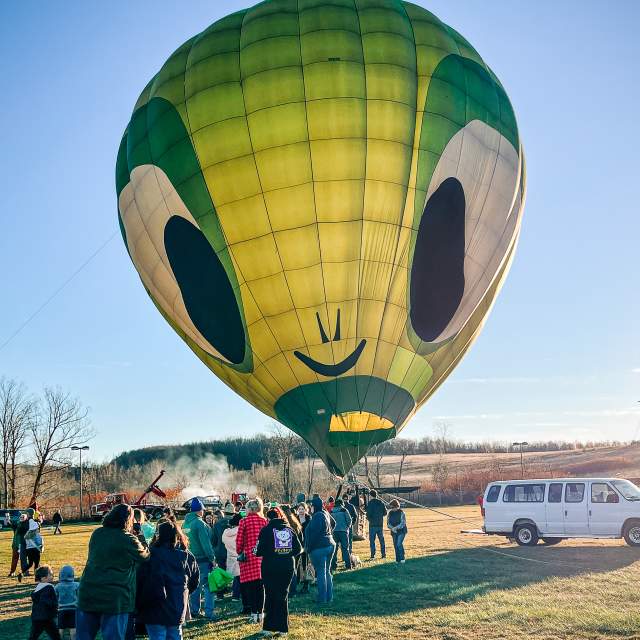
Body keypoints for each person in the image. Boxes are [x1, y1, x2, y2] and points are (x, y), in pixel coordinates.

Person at [77, 503, 150, 640]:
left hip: (89, 592)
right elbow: (145, 556)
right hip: (115, 598)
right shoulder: (128, 539)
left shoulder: (97, 534)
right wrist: (139, 535)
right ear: (128, 520)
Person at [137, 519, 199, 640]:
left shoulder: (150, 555)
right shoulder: (185, 556)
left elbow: (140, 579)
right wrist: (184, 592)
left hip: (153, 605)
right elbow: (194, 581)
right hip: (176, 605)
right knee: (175, 635)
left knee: (158, 636)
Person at [255, 508, 302, 637]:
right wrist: (286, 554)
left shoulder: (265, 530)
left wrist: (272, 553)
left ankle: (269, 628)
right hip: (287, 567)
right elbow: (298, 549)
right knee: (283, 596)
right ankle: (283, 628)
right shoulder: (289, 529)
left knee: (270, 596)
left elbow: (258, 551)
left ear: (268, 519)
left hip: (270, 567)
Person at [183, 497, 216, 621]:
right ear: (200, 510)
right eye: (203, 509)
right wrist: (212, 558)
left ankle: (194, 610)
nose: (203, 512)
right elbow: (205, 543)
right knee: (208, 586)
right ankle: (209, 613)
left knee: (195, 586)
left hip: (189, 559)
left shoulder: (185, 523)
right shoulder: (199, 523)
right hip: (202, 560)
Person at [236, 497, 267, 623]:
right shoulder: (264, 521)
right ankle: (261, 614)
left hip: (248, 559)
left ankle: (254, 614)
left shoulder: (244, 521)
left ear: (250, 509)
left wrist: (240, 551)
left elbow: (239, 542)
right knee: (261, 588)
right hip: (261, 558)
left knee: (251, 589)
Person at [304, 497, 336, 604]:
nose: (310, 509)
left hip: (320, 547)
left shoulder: (317, 516)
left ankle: (322, 598)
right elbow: (333, 523)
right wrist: (329, 533)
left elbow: (315, 534)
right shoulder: (325, 513)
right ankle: (329, 597)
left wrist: (308, 549)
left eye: (311, 506)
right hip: (330, 544)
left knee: (321, 572)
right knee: (326, 571)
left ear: (314, 506)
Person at [29, 565, 60, 640]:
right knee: (56, 636)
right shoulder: (49, 587)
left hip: (36, 617)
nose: (52, 575)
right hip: (47, 617)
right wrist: (55, 607)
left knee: (33, 636)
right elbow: (48, 601)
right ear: (44, 578)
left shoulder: (37, 588)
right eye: (50, 574)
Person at [222, 513, 242, 604]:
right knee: (239, 578)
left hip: (230, 555)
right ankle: (236, 595)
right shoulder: (241, 531)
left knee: (235, 577)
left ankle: (235, 594)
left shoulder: (226, 532)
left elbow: (223, 541)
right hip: (239, 555)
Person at [55, 565, 79, 640]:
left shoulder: (57, 586)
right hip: (73, 610)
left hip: (61, 610)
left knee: (60, 629)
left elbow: (54, 597)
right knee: (73, 629)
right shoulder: (77, 585)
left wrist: (57, 605)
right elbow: (80, 596)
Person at [212, 503, 234, 572]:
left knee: (223, 575)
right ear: (233, 513)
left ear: (224, 512)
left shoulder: (217, 524)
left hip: (220, 553)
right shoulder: (237, 523)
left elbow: (213, 541)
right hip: (233, 553)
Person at [331, 499, 352, 570]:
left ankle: (333, 566)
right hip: (343, 532)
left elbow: (330, 522)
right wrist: (347, 527)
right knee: (345, 549)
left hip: (334, 532)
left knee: (334, 550)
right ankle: (348, 565)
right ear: (341, 504)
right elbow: (349, 520)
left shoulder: (331, 511)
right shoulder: (344, 510)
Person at [366, 490, 387, 559]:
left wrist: (369, 519)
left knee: (372, 541)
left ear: (371, 496)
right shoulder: (381, 502)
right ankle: (383, 554)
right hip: (380, 524)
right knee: (381, 540)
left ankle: (373, 555)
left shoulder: (370, 503)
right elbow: (385, 513)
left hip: (372, 525)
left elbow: (368, 514)